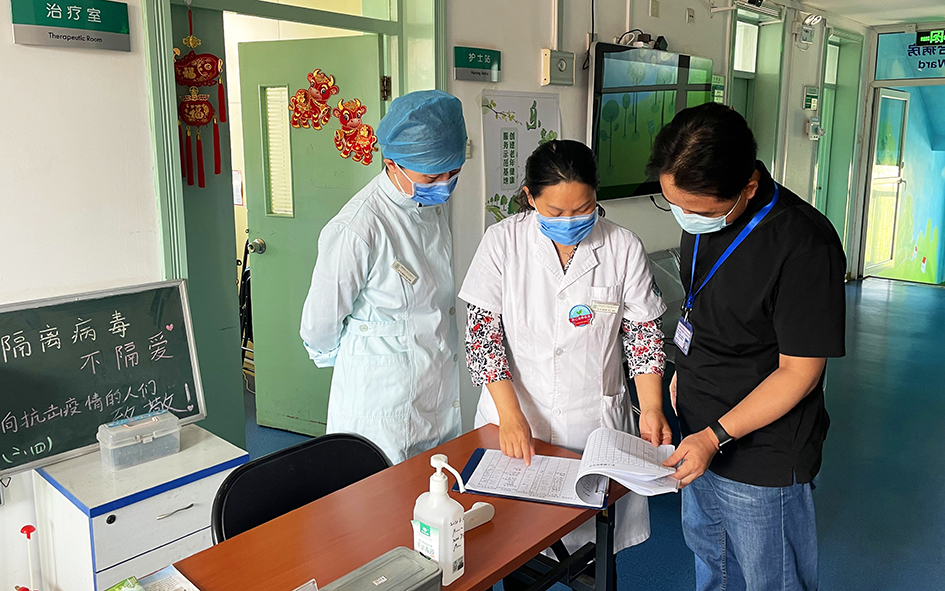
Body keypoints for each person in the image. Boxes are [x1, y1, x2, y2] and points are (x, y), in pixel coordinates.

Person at [647, 103, 846, 591]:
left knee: (770, 579)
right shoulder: (705, 220)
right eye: (675, 205)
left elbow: (800, 372)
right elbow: (705, 308)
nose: (686, 218)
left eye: (699, 211)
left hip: (760, 454)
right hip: (698, 434)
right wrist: (684, 371)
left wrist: (715, 436)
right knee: (712, 564)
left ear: (749, 186)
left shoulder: (803, 244)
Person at [459, 139, 671, 553]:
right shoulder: (502, 242)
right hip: (516, 415)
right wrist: (510, 415)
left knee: (593, 548)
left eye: (583, 208)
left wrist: (651, 407)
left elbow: (643, 335)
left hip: (592, 422)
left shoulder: (622, 246)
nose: (570, 220)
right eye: (556, 212)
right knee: (513, 546)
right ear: (530, 197)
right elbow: (483, 336)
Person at [300, 90, 467, 464]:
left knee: (435, 490)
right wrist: (365, 353)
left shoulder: (429, 207)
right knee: (378, 493)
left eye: (453, 173)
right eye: (432, 175)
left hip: (436, 391)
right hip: (379, 404)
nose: (444, 184)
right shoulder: (358, 227)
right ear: (392, 164)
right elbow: (318, 327)